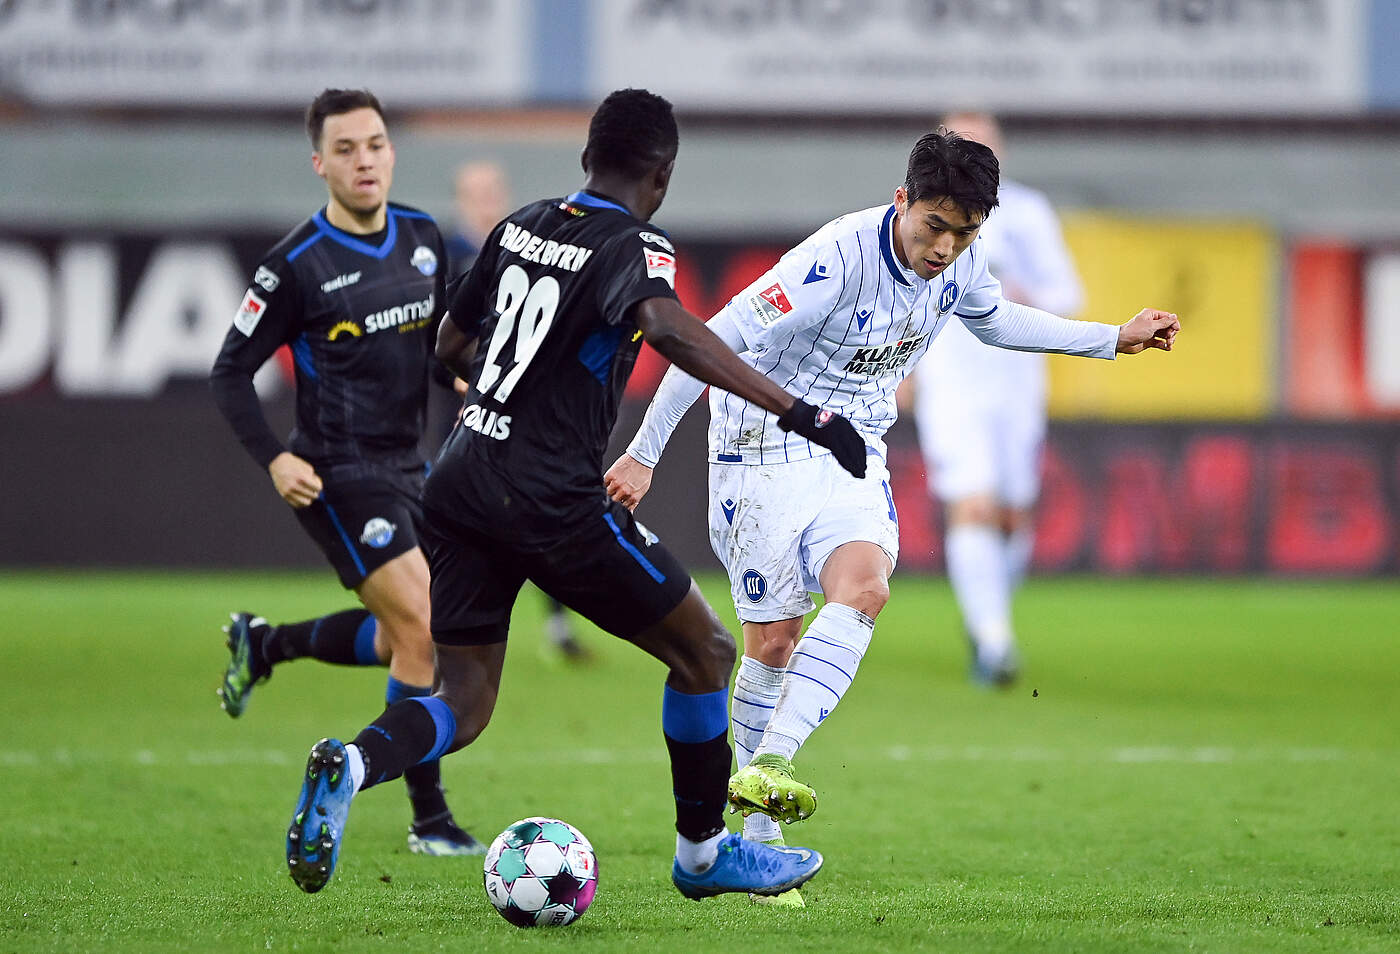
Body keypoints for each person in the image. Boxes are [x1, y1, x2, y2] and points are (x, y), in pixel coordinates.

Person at [283, 88, 865, 900]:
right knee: (705, 652)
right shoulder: (636, 244)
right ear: (662, 175)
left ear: (589, 157)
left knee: (464, 700)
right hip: (549, 496)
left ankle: (353, 763)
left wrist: (507, 393)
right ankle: (704, 858)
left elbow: (449, 343)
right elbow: (667, 327)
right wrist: (801, 412)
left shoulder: (518, 225)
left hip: (460, 479)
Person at [605, 128, 1178, 906]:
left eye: (963, 233)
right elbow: (706, 341)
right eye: (934, 226)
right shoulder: (833, 260)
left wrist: (1112, 338)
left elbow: (996, 320)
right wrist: (643, 454)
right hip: (759, 442)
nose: (945, 248)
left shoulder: (963, 259)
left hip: (850, 446)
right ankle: (761, 836)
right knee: (773, 642)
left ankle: (769, 762)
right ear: (902, 199)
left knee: (866, 587)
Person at [210, 88, 482, 858]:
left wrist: (460, 378)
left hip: (412, 468)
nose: (365, 161)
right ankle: (430, 819)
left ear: (391, 152)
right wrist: (276, 458)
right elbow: (229, 374)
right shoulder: (294, 265)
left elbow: (433, 352)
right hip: (336, 475)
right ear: (320, 163)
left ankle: (266, 645)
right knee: (426, 628)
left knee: (405, 637)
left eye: (376, 144)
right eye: (346, 149)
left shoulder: (423, 238)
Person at [910, 112, 1085, 686]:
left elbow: (1068, 293)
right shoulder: (920, 215)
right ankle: (994, 641)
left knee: (1011, 515)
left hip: (1016, 381)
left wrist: (1021, 295)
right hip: (951, 380)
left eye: (979, 145)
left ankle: (988, 618)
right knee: (974, 504)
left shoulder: (1027, 213)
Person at [443, 159, 592, 663]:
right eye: (476, 192)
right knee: (470, 518)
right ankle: (443, 621)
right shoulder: (449, 255)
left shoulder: (525, 247)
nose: (486, 200)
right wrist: (462, 382)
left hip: (524, 408)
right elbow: (435, 334)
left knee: (536, 511)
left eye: (493, 190)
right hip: (466, 407)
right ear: (461, 199)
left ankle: (555, 624)